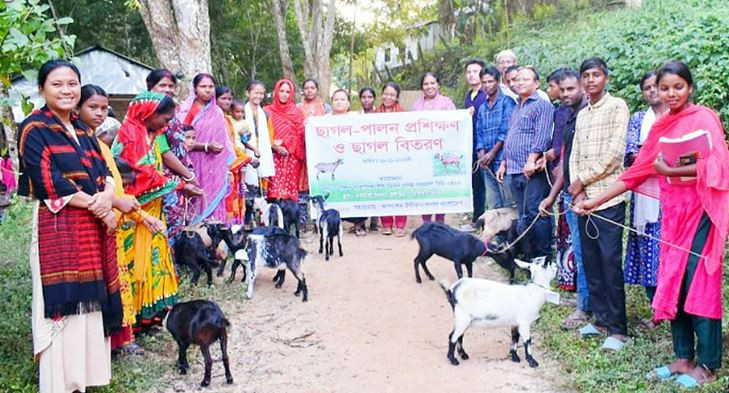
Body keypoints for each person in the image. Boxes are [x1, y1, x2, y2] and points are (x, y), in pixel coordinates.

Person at [575, 60, 729, 388]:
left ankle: (708, 364)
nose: (671, 94)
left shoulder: (705, 118)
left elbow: (719, 167)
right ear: (656, 90)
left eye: (679, 87)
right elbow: (636, 172)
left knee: (699, 285)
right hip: (672, 217)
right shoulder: (660, 127)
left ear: (690, 88)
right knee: (672, 281)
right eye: (665, 87)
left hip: (701, 215)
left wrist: (672, 172)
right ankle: (683, 357)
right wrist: (595, 201)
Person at [18, 59, 122, 392]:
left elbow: (103, 173)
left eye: (72, 84)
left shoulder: (82, 130)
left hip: (90, 232)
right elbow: (50, 182)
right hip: (59, 229)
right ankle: (60, 384)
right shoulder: (34, 129)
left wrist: (107, 195)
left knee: (89, 309)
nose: (66, 91)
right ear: (42, 89)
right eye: (57, 84)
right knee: (63, 313)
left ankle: (84, 381)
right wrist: (100, 205)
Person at [77, 85, 154, 355]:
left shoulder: (98, 145)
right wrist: (115, 205)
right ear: (78, 107)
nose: (99, 113)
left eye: (103, 108)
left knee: (118, 285)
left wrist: (137, 214)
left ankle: (120, 342)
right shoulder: (81, 145)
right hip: (92, 223)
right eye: (92, 107)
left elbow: (116, 188)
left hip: (114, 223)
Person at [114, 91, 199, 331]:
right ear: (148, 114)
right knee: (134, 263)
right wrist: (181, 185)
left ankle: (150, 316)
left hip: (153, 210)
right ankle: (133, 320)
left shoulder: (149, 133)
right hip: (132, 213)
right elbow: (142, 174)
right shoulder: (130, 136)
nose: (168, 124)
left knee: (154, 261)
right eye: (165, 118)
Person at [567, 57, 629, 351]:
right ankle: (601, 319)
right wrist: (576, 191)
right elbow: (574, 154)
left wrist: (582, 182)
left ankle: (618, 329)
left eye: (596, 75)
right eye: (586, 76)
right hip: (582, 203)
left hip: (608, 199)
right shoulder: (583, 114)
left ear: (606, 78)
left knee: (609, 263)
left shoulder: (617, 106)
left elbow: (614, 155)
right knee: (591, 263)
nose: (590, 80)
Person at [537, 69, 591, 330]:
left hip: (591, 195)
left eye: (571, 89)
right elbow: (565, 164)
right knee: (580, 251)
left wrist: (578, 187)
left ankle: (588, 307)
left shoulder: (590, 115)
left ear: (582, 87)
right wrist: (551, 196)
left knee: (590, 253)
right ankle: (584, 302)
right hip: (571, 193)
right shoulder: (569, 117)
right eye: (563, 89)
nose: (566, 93)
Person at [624, 71, 669, 330]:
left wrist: (650, 156)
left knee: (668, 253)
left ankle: (672, 308)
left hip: (674, 197)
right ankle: (656, 309)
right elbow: (632, 155)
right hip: (645, 195)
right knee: (648, 251)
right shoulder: (639, 119)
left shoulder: (679, 118)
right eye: (647, 88)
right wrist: (657, 158)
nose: (652, 91)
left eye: (656, 86)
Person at [496, 66, 554, 259]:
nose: (519, 82)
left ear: (536, 83)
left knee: (537, 212)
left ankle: (543, 257)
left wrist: (531, 161)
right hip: (513, 168)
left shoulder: (542, 105)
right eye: (517, 79)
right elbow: (511, 136)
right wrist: (504, 162)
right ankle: (530, 256)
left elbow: (543, 135)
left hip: (531, 170)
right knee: (523, 215)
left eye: (525, 79)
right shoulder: (516, 108)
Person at [146, 69, 201, 245]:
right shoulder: (151, 113)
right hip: (163, 178)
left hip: (176, 177)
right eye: (162, 85)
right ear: (150, 87)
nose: (168, 89)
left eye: (171, 86)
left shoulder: (170, 110)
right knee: (165, 226)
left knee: (176, 223)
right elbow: (164, 151)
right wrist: (189, 175)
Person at [177, 73, 235, 224]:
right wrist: (206, 146)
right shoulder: (185, 111)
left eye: (211, 87)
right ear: (195, 89)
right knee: (197, 199)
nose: (208, 90)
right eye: (203, 86)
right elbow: (181, 141)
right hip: (193, 165)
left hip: (215, 166)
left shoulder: (217, 112)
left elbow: (225, 140)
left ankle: (216, 241)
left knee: (215, 201)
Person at [411, 72, 456, 223]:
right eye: (426, 84)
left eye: (432, 83)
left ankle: (440, 223)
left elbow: (454, 125)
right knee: (425, 189)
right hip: (422, 154)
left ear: (438, 85)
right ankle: (426, 223)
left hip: (441, 153)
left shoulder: (447, 103)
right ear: (422, 87)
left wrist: (466, 115)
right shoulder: (416, 106)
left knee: (439, 189)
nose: (429, 87)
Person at [476, 66, 516, 210]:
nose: (487, 85)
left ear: (498, 81)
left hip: (503, 160)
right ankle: (498, 233)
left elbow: (506, 131)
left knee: (509, 203)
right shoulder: (482, 107)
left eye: (490, 81)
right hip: (486, 163)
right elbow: (479, 131)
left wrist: (492, 153)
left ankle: (512, 233)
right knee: (493, 203)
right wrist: (481, 153)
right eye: (484, 82)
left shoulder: (507, 102)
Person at [216, 86, 255, 226]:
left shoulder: (226, 119)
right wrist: (246, 159)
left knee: (234, 198)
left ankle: (233, 230)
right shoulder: (215, 118)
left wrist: (246, 158)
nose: (226, 102)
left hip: (234, 164)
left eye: (229, 99)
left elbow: (232, 143)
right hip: (219, 167)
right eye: (223, 98)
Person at [265, 79, 306, 203]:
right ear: (276, 92)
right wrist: (275, 146)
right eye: (281, 91)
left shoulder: (297, 112)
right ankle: (272, 220)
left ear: (291, 94)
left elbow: (301, 134)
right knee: (272, 192)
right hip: (273, 156)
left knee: (289, 195)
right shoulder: (266, 111)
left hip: (291, 157)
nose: (284, 94)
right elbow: (262, 134)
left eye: (287, 92)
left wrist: (289, 144)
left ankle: (289, 221)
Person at [375, 82, 408, 236]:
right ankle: (386, 224)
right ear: (382, 95)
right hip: (380, 158)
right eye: (386, 94)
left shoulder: (403, 114)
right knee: (383, 189)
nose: (388, 97)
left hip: (399, 157)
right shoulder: (374, 115)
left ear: (396, 97)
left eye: (392, 95)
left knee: (400, 189)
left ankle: (400, 224)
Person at [242, 80, 275, 228]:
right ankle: (246, 222)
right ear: (247, 93)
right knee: (248, 191)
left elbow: (269, 135)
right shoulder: (241, 111)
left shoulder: (265, 114)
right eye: (256, 93)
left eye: (261, 93)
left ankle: (262, 222)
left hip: (262, 152)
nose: (259, 96)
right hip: (245, 152)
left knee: (262, 191)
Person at [461, 59, 487, 232]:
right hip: (469, 146)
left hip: (484, 147)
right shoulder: (468, 96)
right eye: (468, 72)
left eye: (475, 71)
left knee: (487, 185)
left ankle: (487, 220)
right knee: (476, 184)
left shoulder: (486, 95)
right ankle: (477, 219)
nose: (471, 75)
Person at [358, 86, 379, 231]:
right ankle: (361, 221)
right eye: (364, 97)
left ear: (374, 99)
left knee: (377, 186)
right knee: (363, 187)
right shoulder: (354, 116)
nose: (367, 100)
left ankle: (375, 220)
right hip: (360, 157)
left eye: (370, 97)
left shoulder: (380, 114)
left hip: (377, 155)